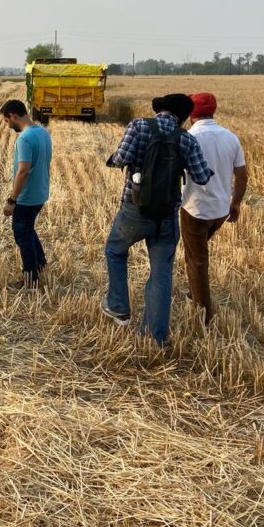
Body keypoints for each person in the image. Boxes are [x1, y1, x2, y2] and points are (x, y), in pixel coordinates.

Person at [102, 93, 213, 345]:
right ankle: (155, 337)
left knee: (115, 250)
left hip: (135, 208)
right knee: (161, 272)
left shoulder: (140, 126)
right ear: (182, 116)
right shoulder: (186, 138)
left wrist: (115, 160)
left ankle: (118, 306)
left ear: (159, 109)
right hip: (166, 216)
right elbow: (202, 176)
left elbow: (121, 158)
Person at [180, 92, 248, 325]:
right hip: (220, 211)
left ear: (191, 114)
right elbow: (242, 175)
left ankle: (204, 314)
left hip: (195, 209)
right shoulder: (230, 137)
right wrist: (235, 203)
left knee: (196, 260)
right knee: (195, 254)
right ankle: (193, 292)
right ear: (213, 111)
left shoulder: (189, 137)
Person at [0, 99, 52, 287]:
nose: (8, 125)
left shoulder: (24, 138)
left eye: (7, 121)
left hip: (27, 196)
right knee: (28, 228)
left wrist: (12, 199)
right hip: (41, 192)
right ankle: (41, 262)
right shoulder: (43, 132)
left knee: (21, 234)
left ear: (13, 115)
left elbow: (23, 171)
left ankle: (30, 278)